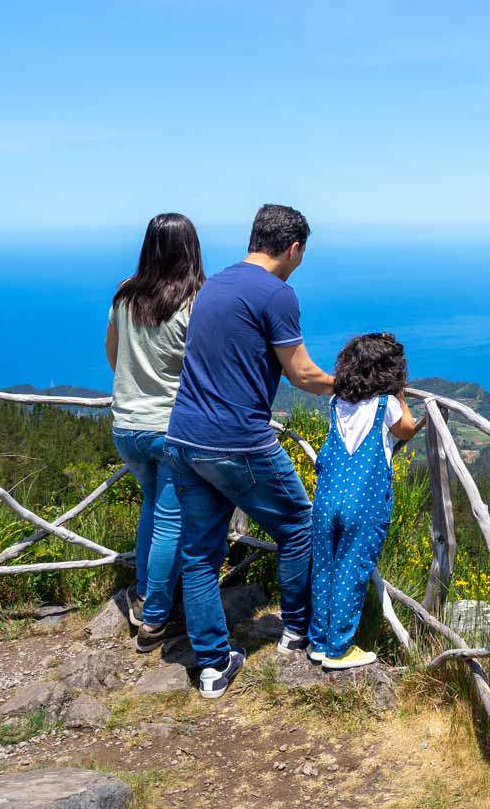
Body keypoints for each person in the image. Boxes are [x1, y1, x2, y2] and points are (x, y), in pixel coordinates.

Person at [165, 204, 336, 698]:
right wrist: (353, 384)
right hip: (238, 441)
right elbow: (301, 374)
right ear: (294, 248)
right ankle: (297, 633)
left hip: (184, 436)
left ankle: (214, 667)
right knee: (298, 524)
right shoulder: (278, 293)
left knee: (199, 552)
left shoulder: (213, 284)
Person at [104, 212, 202, 649]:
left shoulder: (125, 295)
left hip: (126, 424)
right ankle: (156, 619)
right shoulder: (193, 300)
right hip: (170, 428)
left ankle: (144, 592)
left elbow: (114, 354)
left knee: (152, 508)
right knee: (169, 520)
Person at [307, 332, 422, 668]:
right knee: (351, 571)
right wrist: (401, 396)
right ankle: (340, 648)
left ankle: (318, 641)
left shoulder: (336, 403)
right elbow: (408, 429)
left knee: (324, 567)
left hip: (327, 499)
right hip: (365, 503)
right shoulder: (384, 406)